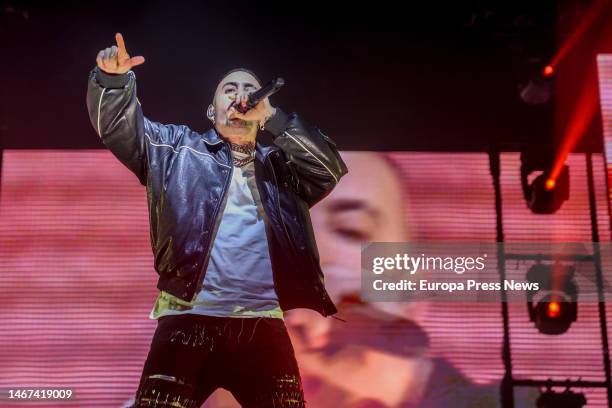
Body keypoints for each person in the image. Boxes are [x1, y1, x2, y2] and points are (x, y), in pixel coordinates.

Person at [86, 33, 347, 408]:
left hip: (262, 323)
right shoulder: (175, 151)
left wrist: (273, 118)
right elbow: (119, 128)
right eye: (229, 88)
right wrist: (111, 81)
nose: (240, 94)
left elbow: (329, 168)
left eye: (250, 89)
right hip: (187, 320)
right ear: (212, 111)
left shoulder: (282, 167)